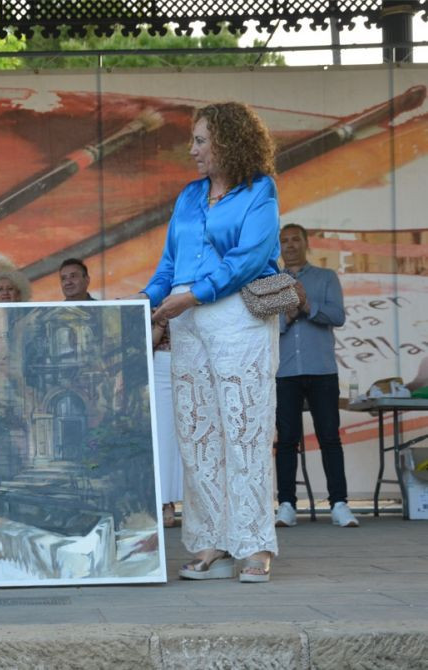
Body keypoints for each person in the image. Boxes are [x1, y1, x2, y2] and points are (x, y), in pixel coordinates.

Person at [137, 101, 281, 583]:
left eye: (200, 140)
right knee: (198, 432)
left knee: (244, 428)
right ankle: (211, 541)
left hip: (235, 314)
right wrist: (145, 300)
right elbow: (169, 262)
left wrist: (194, 295)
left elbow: (249, 258)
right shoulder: (190, 195)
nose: (193, 149)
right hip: (186, 317)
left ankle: (254, 543)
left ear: (228, 142)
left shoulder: (259, 190)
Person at [274, 224, 358, 528]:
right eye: (284, 241)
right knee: (286, 440)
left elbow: (337, 316)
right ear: (278, 246)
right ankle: (286, 505)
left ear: (306, 243)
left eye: (295, 239)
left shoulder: (326, 277)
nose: (290, 245)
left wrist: (307, 304)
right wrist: (289, 314)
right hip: (285, 372)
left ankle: (339, 504)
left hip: (322, 370)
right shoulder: (271, 282)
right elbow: (265, 328)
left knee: (329, 437)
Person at [151, 318, 183, 528]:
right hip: (162, 363)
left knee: (195, 433)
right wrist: (161, 322)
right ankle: (165, 502)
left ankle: (198, 504)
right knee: (164, 436)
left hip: (196, 358)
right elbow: (144, 343)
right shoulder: (154, 301)